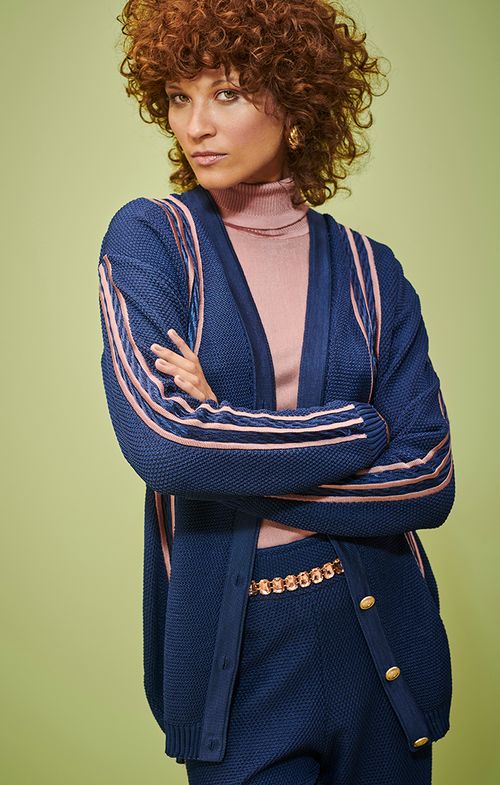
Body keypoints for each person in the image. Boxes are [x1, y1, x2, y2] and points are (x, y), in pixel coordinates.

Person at [98, 1, 456, 782]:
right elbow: (167, 446)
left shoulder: (372, 272)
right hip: (239, 665)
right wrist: (359, 428)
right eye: (179, 97)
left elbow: (427, 478)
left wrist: (227, 438)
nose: (195, 125)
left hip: (380, 648)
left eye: (226, 93)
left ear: (296, 102)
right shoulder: (155, 241)